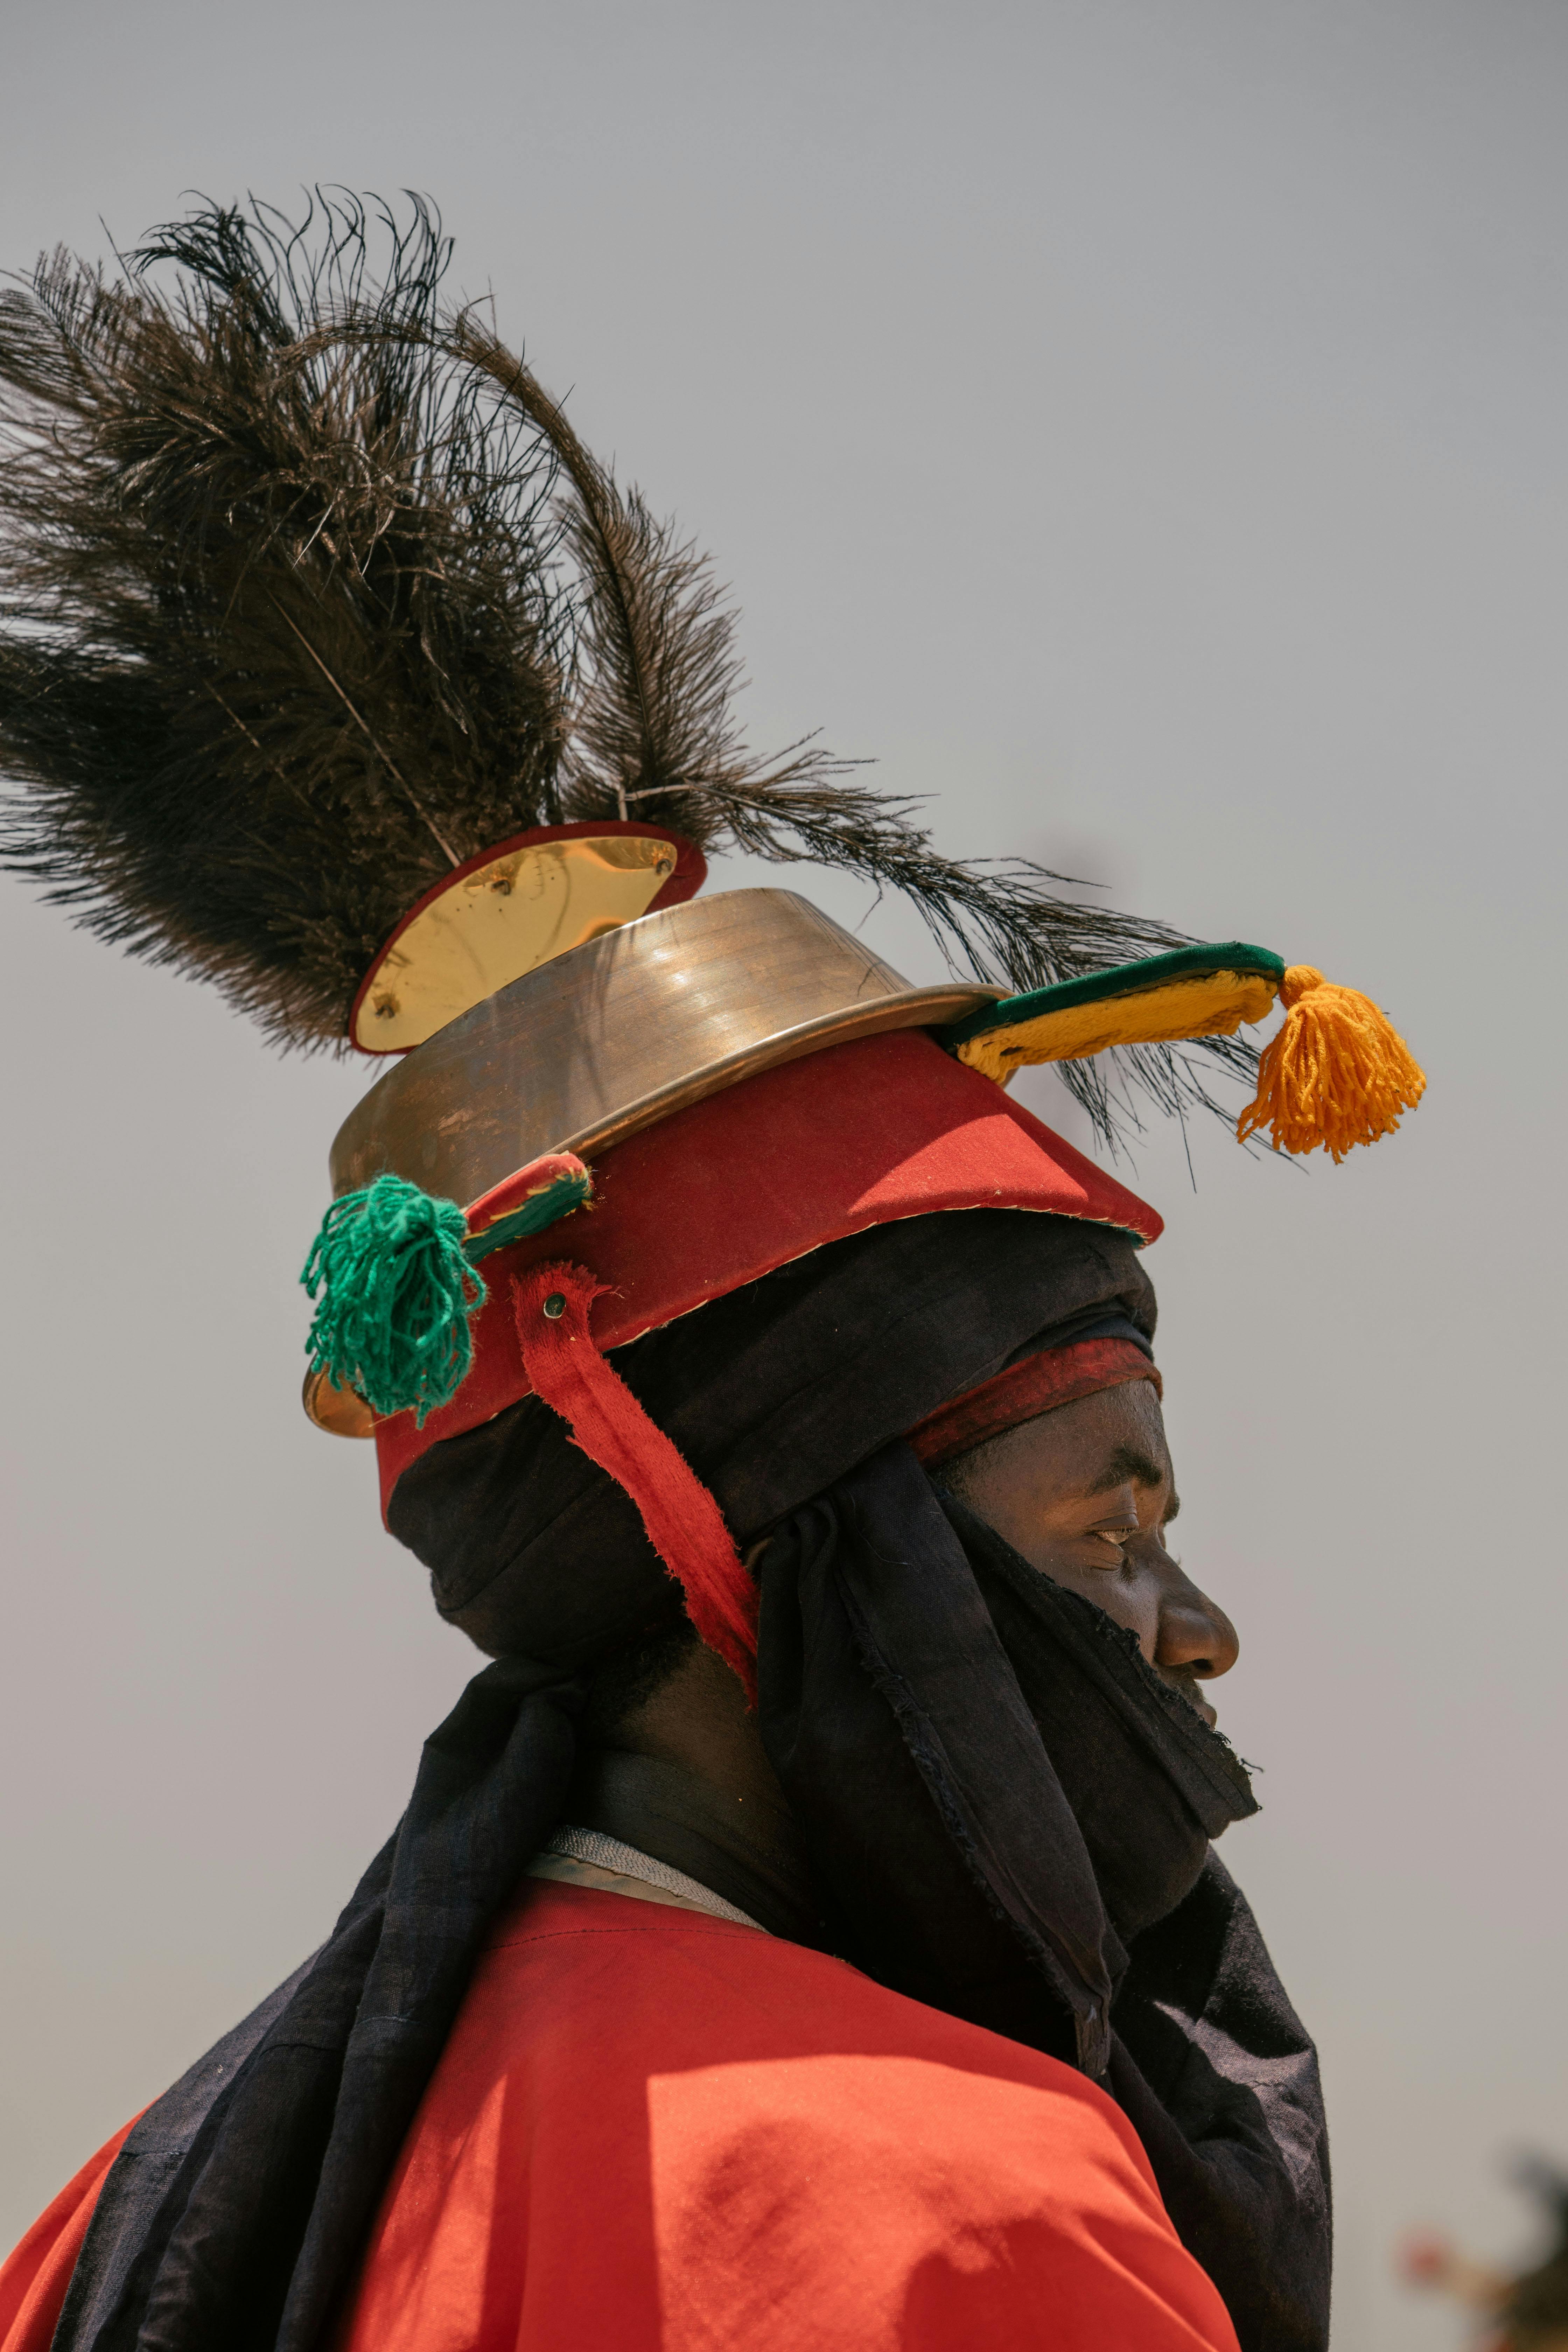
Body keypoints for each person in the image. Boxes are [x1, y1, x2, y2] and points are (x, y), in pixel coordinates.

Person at [0, 193, 1425, 2352]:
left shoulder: (109, 2233)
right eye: (1112, 1519)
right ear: (761, 1562)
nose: (1196, 1630)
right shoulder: (955, 2220)